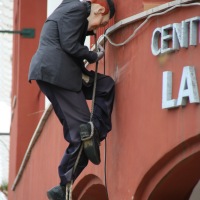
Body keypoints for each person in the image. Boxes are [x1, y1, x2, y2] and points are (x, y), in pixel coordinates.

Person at [28, 0, 115, 199]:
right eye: (102, 23)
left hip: (60, 72)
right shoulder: (77, 8)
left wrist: (84, 68)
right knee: (81, 133)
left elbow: (66, 44)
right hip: (57, 72)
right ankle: (63, 185)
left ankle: (96, 129)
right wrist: (93, 54)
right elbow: (68, 43)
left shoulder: (69, 9)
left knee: (105, 85)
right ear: (100, 9)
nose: (98, 27)